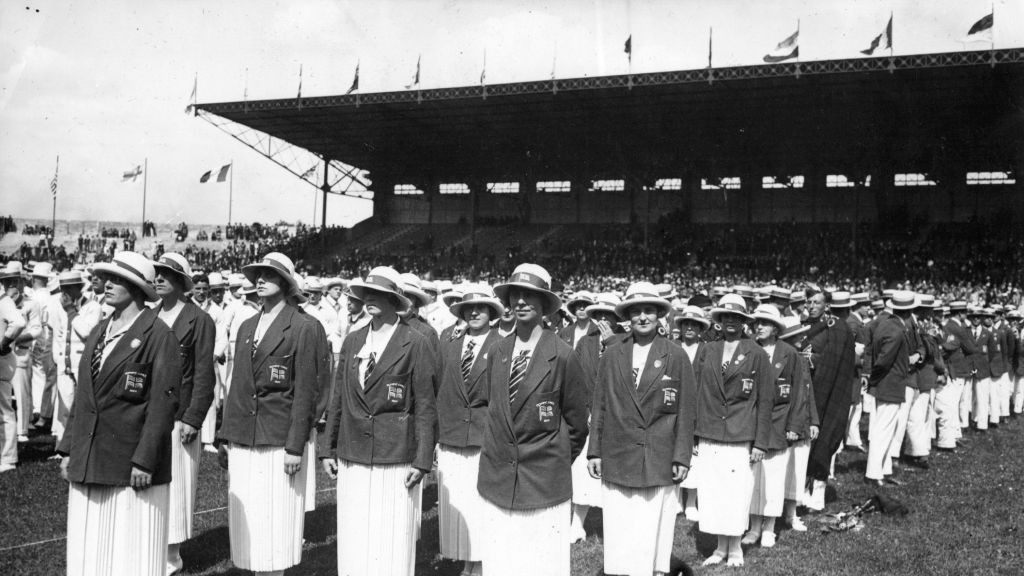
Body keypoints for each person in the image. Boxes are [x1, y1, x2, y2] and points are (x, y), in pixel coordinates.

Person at [56, 251, 182, 576]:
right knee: (90, 551)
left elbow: (163, 405)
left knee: (130, 553)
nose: (107, 285)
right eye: (107, 279)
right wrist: (68, 448)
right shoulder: (99, 330)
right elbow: (85, 396)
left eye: (117, 280)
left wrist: (145, 458)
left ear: (137, 287)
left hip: (130, 461)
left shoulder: (159, 335)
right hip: (91, 457)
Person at [320, 265, 437, 576]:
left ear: (395, 300)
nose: (370, 298)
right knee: (354, 537)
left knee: (392, 540)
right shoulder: (353, 341)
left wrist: (423, 460)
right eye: (367, 293)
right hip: (353, 451)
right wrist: (327, 448)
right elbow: (338, 398)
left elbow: (426, 406)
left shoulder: (415, 341)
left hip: (395, 454)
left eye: (379, 294)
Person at [217, 252, 329, 576]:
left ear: (286, 283)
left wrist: (295, 446)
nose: (260, 280)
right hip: (244, 436)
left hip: (277, 438)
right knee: (248, 522)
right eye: (258, 275)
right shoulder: (247, 325)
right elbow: (237, 386)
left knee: (274, 522)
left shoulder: (303, 326)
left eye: (270, 275)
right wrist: (225, 435)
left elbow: (307, 392)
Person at [478, 263, 589, 576]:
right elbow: (495, 408)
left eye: (530, 295)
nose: (521, 301)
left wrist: (551, 460)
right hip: (499, 477)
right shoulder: (497, 351)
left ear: (545, 304)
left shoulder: (563, 354)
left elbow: (577, 423)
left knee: (541, 564)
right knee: (502, 562)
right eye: (516, 294)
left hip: (543, 481)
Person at [588, 282, 697, 576]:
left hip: (657, 456)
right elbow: (600, 405)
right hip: (618, 452)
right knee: (621, 525)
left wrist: (681, 457)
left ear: (659, 314)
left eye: (649, 311)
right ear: (628, 317)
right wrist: (594, 452)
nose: (643, 317)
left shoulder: (675, 355)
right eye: (636, 312)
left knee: (652, 526)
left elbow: (686, 411)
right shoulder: (613, 354)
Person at [692, 293, 773, 567]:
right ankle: (719, 546)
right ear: (718, 320)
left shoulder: (757, 353)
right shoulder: (707, 350)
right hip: (710, 430)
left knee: (737, 491)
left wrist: (761, 442)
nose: (730, 322)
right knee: (713, 490)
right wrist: (693, 433)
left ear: (743, 322)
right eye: (725, 317)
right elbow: (694, 390)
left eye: (736, 317)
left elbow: (765, 400)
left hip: (741, 433)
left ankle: (735, 547)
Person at [152, 253, 217, 575]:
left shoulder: (198, 319)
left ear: (181, 282)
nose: (159, 278)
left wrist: (193, 418)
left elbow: (205, 374)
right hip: (148, 415)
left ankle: (172, 558)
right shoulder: (149, 316)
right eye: (157, 273)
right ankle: (151, 546)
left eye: (167, 274)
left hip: (180, 416)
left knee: (177, 487)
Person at [435, 284, 504, 576]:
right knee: (458, 503)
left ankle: (480, 563)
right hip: (451, 435)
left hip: (483, 437)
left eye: (481, 308)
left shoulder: (502, 344)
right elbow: (439, 387)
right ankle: (466, 562)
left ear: (491, 313)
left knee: (480, 504)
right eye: (468, 309)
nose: (474, 313)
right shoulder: (449, 342)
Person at [744, 304, 804, 548]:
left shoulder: (789, 354)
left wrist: (794, 425)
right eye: (757, 322)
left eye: (765, 323)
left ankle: (769, 527)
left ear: (776, 329)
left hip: (779, 421)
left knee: (775, 476)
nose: (759, 326)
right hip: (752, 421)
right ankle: (753, 526)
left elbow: (799, 391)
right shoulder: (748, 350)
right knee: (753, 478)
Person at [796, 288, 855, 510]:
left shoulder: (837, 329)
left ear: (826, 306)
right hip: (805, 392)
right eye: (808, 302)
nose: (810, 306)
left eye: (816, 302)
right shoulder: (804, 327)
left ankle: (817, 494)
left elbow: (838, 362)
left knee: (823, 440)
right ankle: (800, 491)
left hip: (828, 393)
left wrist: (812, 361)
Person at [864, 291, 915, 486]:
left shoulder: (884, 324)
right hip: (890, 383)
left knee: (884, 428)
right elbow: (884, 360)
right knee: (883, 431)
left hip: (886, 383)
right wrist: (874, 379)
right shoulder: (896, 330)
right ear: (909, 312)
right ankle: (874, 473)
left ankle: (883, 469)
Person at [673, 304, 710, 520]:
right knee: (672, 450)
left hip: (698, 407)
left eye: (694, 325)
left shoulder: (707, 349)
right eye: (686, 324)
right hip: (672, 406)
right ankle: (676, 498)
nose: (689, 328)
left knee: (695, 453)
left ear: (700, 329)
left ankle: (691, 502)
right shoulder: (672, 347)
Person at [936, 301, 977, 451]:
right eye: (965, 312)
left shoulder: (951, 326)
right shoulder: (957, 328)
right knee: (952, 404)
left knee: (953, 404)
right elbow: (971, 348)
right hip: (955, 369)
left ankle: (955, 434)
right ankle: (951, 437)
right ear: (960, 313)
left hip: (957, 368)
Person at [0, 263, 28, 472]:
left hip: (2, 359)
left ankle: (8, 458)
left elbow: (18, 322)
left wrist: (4, 342)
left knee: (3, 410)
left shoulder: (5, 301)